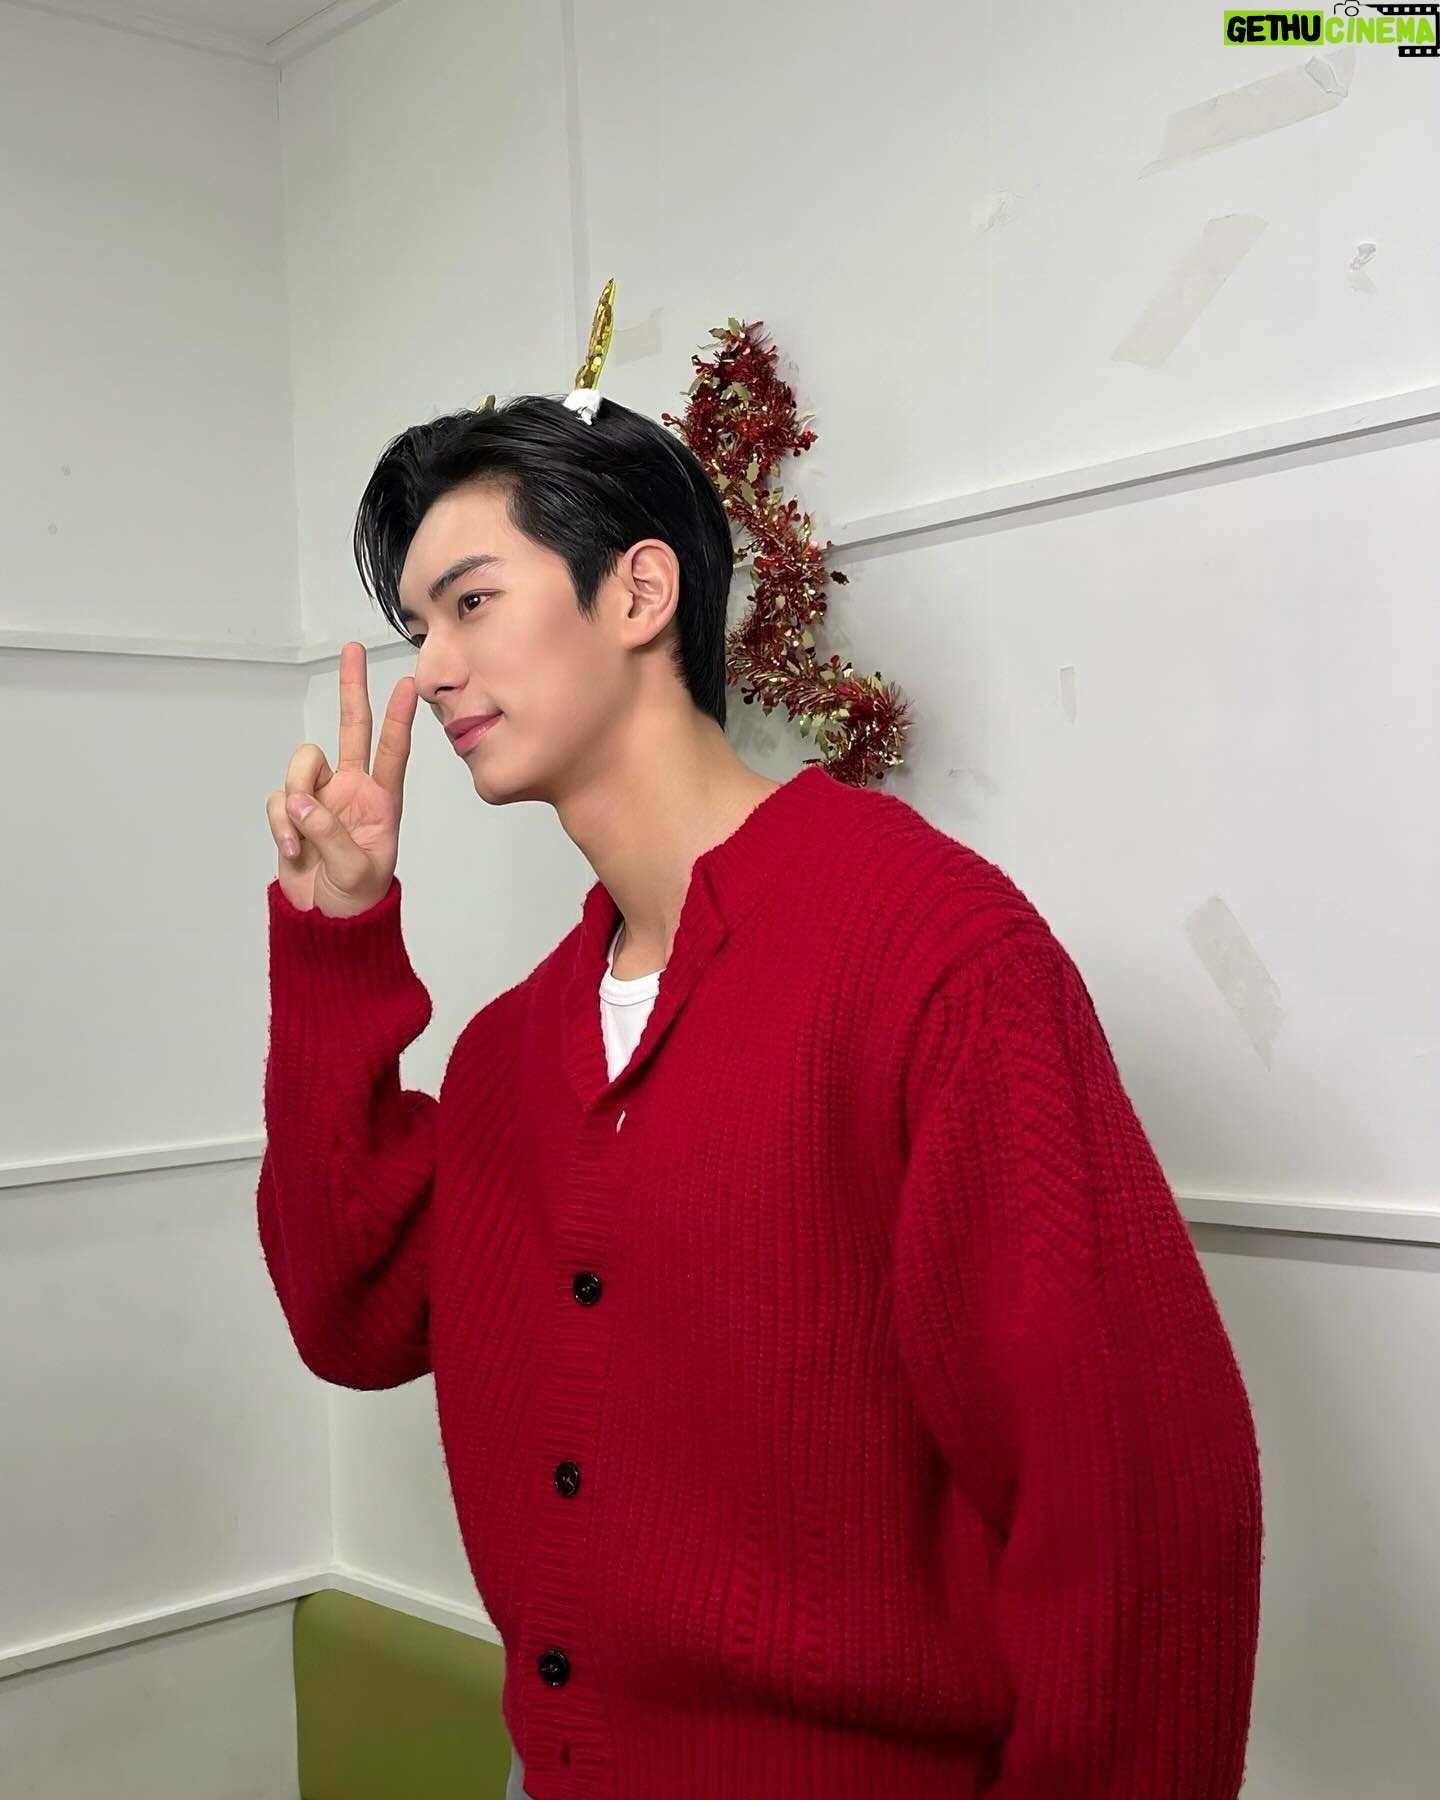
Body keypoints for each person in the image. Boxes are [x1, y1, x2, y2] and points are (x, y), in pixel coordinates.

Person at [259, 392, 1263, 1800]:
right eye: (417, 625)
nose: (430, 669)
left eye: (471, 602)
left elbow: (1139, 1507)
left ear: (639, 591)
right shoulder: (513, 1053)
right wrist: (334, 938)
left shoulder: (931, 954)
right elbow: (352, 1312)